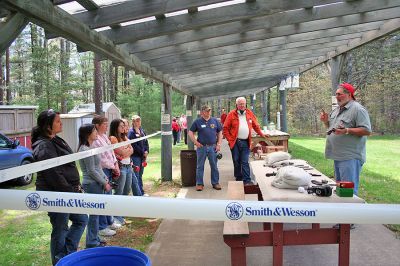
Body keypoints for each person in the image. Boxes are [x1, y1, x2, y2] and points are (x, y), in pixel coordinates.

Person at [32, 110, 88, 265]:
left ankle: (65, 256)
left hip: (68, 191)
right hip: (56, 194)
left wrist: (75, 187)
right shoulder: (43, 145)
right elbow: (53, 174)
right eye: (57, 121)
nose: (61, 123)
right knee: (60, 228)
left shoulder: (56, 139)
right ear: (47, 126)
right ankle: (60, 260)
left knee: (81, 219)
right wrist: (69, 191)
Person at [320, 83, 371, 196]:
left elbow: (367, 131)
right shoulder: (337, 110)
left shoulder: (358, 109)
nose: (337, 96)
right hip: (338, 156)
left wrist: (347, 130)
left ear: (349, 94)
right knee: (341, 190)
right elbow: (331, 128)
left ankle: (352, 213)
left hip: (350, 157)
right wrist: (325, 121)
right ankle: (342, 212)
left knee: (349, 192)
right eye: (336, 94)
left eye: (339, 94)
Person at [78, 124, 112, 248]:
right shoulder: (84, 150)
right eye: (94, 131)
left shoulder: (91, 147)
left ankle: (94, 237)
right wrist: (104, 183)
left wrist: (105, 178)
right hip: (91, 185)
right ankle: (92, 242)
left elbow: (98, 167)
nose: (97, 133)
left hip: (97, 183)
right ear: (88, 134)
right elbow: (91, 171)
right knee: (94, 214)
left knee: (96, 213)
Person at [223, 97, 270, 186]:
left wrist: (262, 134)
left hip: (246, 141)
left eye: (243, 103)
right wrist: (230, 139)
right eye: (240, 104)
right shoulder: (231, 114)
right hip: (235, 142)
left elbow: (256, 126)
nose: (242, 105)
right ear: (236, 105)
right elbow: (225, 128)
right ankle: (238, 176)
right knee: (236, 160)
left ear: (245, 104)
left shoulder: (249, 113)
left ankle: (247, 180)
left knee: (244, 161)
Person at [91, 115, 121, 236]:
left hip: (111, 168)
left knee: (109, 197)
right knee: (103, 198)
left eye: (107, 123)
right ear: (97, 125)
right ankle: (102, 226)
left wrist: (115, 164)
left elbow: (111, 152)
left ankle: (109, 221)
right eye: (104, 124)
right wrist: (113, 166)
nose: (107, 126)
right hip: (103, 170)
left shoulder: (104, 136)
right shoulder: (95, 139)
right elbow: (101, 160)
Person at [188, 105, 223, 191]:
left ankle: (215, 183)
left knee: (214, 166)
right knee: (200, 166)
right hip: (202, 147)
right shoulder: (197, 121)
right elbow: (190, 132)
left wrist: (219, 144)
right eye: (207, 111)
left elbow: (220, 132)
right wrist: (196, 142)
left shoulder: (215, 121)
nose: (209, 112)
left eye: (209, 111)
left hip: (213, 147)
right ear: (202, 112)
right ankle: (199, 184)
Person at [128, 115, 149, 196]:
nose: (138, 122)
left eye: (139, 120)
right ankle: (138, 194)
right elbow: (133, 145)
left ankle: (141, 192)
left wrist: (147, 151)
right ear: (133, 122)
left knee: (140, 175)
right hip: (135, 156)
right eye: (136, 121)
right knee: (136, 175)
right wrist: (142, 152)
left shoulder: (142, 131)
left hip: (142, 157)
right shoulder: (131, 132)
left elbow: (146, 142)